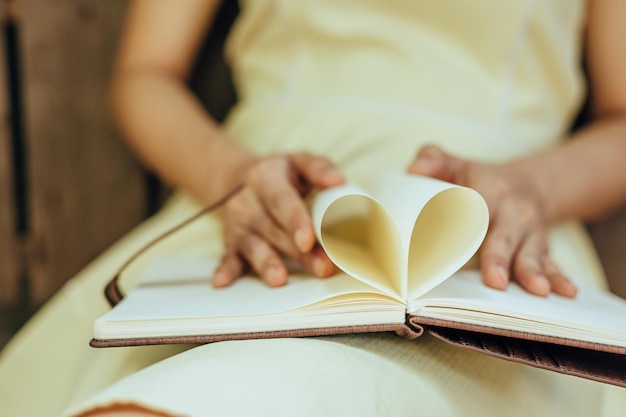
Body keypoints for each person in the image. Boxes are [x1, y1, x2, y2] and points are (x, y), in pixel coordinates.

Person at [1, 0, 626, 416]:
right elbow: (143, 73)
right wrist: (232, 175)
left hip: (493, 234)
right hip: (257, 206)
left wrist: (531, 189)